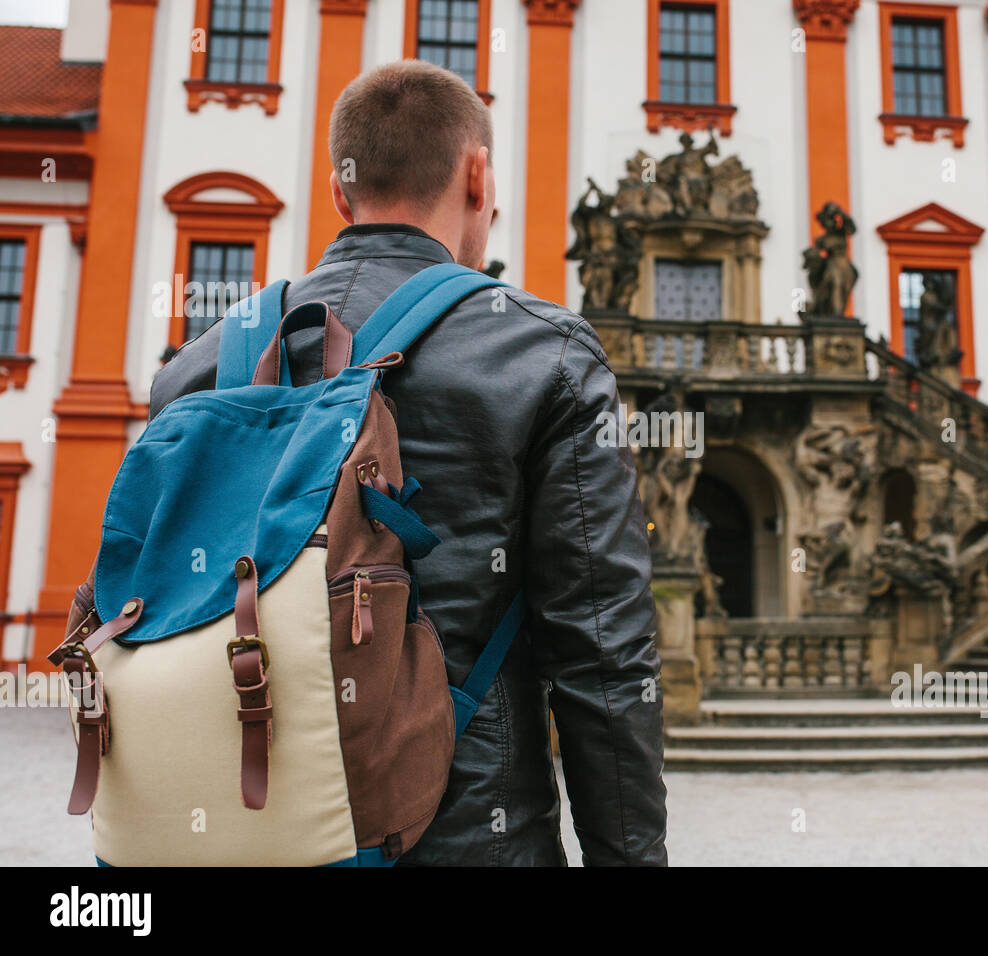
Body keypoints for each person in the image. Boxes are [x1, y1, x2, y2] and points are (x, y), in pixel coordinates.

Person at [149, 60, 668, 866]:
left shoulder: (193, 369)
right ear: (478, 173)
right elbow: (602, 655)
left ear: (337, 192)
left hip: (228, 839)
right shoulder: (546, 354)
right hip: (465, 838)